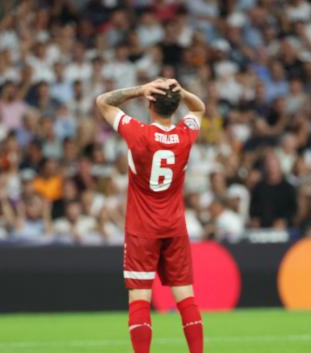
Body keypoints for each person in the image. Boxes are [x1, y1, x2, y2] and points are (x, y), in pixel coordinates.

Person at [95, 77, 205, 353]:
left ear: (149, 103)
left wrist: (139, 89)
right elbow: (200, 108)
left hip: (142, 228)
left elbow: (102, 102)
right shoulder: (185, 135)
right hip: (175, 226)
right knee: (185, 298)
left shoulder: (138, 133)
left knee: (140, 298)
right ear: (175, 105)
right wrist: (182, 93)